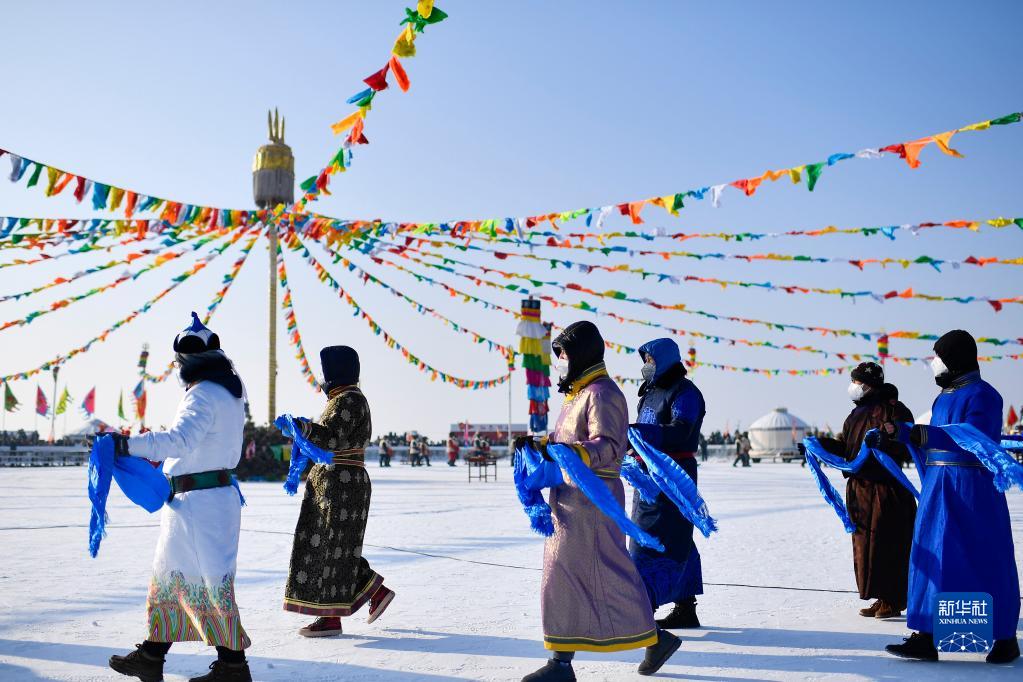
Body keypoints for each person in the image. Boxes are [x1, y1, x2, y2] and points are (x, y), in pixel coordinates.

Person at [518, 321, 680, 681]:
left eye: (562, 354)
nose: (559, 361)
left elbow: (608, 446)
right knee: (580, 576)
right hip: (569, 500)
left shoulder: (603, 394)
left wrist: (567, 453)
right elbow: (566, 444)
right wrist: (539, 446)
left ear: (581, 353)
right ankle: (652, 640)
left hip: (593, 503)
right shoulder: (577, 395)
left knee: (588, 574)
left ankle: (562, 664)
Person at [108, 312, 252, 682]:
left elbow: (179, 440)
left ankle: (233, 667)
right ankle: (152, 656)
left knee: (210, 582)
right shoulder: (228, 391)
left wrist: (125, 444)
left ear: (186, 362)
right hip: (201, 501)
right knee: (174, 581)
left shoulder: (203, 394)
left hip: (199, 504)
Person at [885, 330, 1020, 664]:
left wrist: (923, 433)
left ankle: (1003, 637)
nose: (933, 363)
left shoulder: (985, 396)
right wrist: (899, 433)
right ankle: (926, 634)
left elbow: (972, 436)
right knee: (930, 555)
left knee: (982, 557)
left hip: (971, 489)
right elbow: (932, 438)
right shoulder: (943, 397)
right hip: (938, 487)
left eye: (938, 356)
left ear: (955, 358)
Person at [283, 346, 395, 637]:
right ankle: (372, 594)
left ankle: (332, 617)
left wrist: (302, 428)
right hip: (334, 483)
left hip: (342, 484)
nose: (323, 377)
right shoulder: (342, 399)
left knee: (333, 548)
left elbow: (330, 438)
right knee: (330, 547)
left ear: (335, 371)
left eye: (325, 370)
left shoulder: (348, 400)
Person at [814, 362, 917, 620]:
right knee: (865, 546)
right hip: (859, 490)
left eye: (857, 382)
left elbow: (907, 445)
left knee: (888, 543)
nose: (853, 386)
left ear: (869, 385)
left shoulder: (894, 409)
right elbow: (846, 448)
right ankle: (879, 596)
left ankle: (893, 599)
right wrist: (818, 445)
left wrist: (888, 440)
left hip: (886, 489)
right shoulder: (854, 415)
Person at [629, 338, 706, 631]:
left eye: (649, 359)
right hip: (648, 476)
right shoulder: (649, 394)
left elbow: (682, 431)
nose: (646, 365)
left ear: (663, 359)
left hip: (673, 475)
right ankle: (685, 607)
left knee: (654, 539)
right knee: (675, 539)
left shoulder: (686, 392)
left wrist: (638, 434)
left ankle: (641, 607)